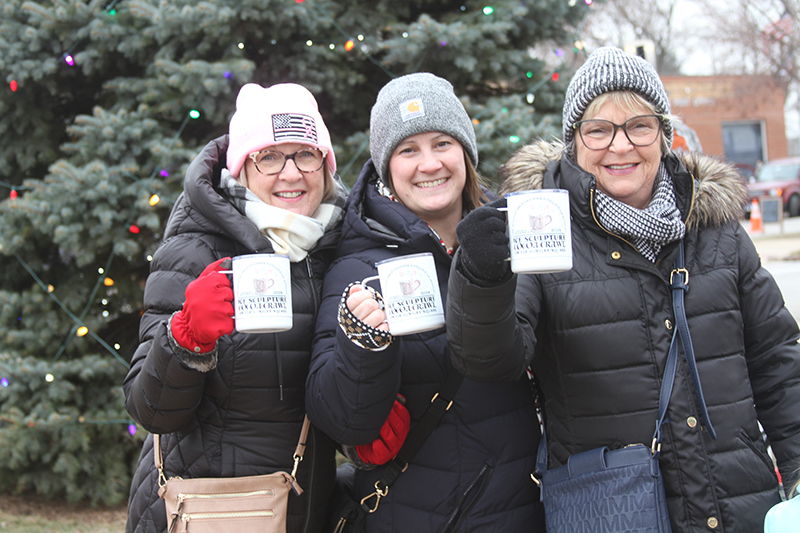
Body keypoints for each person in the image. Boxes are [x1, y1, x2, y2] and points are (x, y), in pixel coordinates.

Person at [446, 47, 800, 532]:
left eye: (639, 125)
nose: (620, 146)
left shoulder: (715, 229)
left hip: (738, 502)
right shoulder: (543, 231)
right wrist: (483, 277)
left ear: (664, 135)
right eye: (598, 129)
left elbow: (778, 363)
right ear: (574, 142)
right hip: (613, 511)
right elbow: (491, 361)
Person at [305, 73, 545, 532]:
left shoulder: (516, 241)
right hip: (423, 517)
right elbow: (341, 420)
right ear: (386, 167)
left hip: (528, 510)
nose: (429, 164)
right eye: (408, 150)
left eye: (442, 143)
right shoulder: (358, 268)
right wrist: (364, 344)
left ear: (465, 154)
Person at [123, 82, 348, 533]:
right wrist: (185, 339)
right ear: (242, 168)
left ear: (325, 165)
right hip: (208, 509)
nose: (291, 174)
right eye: (269, 156)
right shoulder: (196, 248)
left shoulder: (339, 246)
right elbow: (150, 410)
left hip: (301, 509)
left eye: (306, 154)